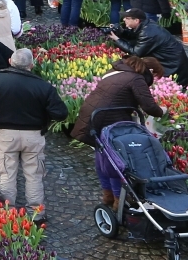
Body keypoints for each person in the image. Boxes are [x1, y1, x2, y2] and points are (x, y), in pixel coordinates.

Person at [0, 48, 67, 224]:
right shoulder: (43, 86)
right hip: (34, 136)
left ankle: (8, 212)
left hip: (6, 135)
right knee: (34, 175)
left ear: (10, 61)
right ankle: (36, 215)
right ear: (31, 65)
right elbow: (60, 113)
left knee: (6, 174)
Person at [71, 57, 169, 207]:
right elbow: (149, 106)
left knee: (102, 153)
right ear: (150, 71)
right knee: (116, 159)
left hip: (93, 116)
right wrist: (162, 111)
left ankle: (108, 195)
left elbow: (118, 96)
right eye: (155, 77)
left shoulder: (117, 71)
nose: (154, 81)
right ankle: (119, 200)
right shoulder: (136, 78)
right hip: (109, 117)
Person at [112, 10, 188, 87]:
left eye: (127, 18)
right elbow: (134, 36)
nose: (124, 20)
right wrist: (121, 32)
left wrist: (117, 39)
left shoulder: (147, 33)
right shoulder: (147, 25)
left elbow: (136, 53)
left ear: (136, 20)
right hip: (174, 60)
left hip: (172, 65)